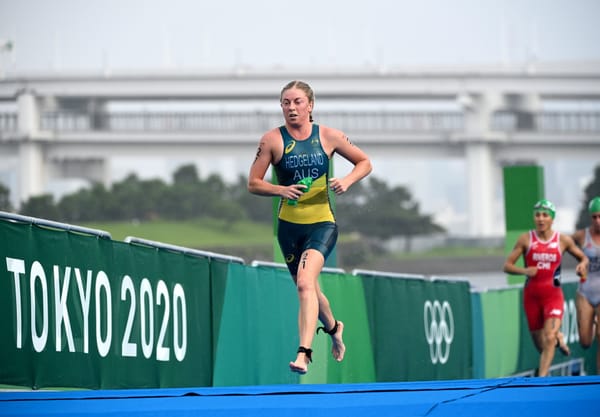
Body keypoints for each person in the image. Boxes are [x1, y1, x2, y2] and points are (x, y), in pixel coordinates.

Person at [248, 80, 372, 374]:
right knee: (310, 288)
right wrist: (281, 190)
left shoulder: (329, 136)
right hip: (289, 229)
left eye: (298, 102)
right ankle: (333, 326)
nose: (292, 108)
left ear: (310, 105)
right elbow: (253, 183)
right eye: (286, 103)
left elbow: (364, 162)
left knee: (305, 283)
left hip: (322, 224)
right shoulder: (271, 141)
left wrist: (347, 180)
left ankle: (304, 353)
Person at [503, 199, 589, 377]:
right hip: (532, 297)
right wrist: (524, 270)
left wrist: (582, 265)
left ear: (552, 219)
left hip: (553, 296)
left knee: (549, 338)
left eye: (545, 215)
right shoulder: (526, 239)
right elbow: (507, 266)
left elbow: (583, 257)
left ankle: (541, 380)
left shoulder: (562, 240)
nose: (541, 219)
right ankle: (559, 338)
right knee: (541, 345)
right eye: (537, 215)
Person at [572, 196, 600, 374]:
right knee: (585, 341)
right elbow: (562, 246)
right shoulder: (582, 236)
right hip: (585, 292)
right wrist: (580, 261)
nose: (597, 220)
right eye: (594, 217)